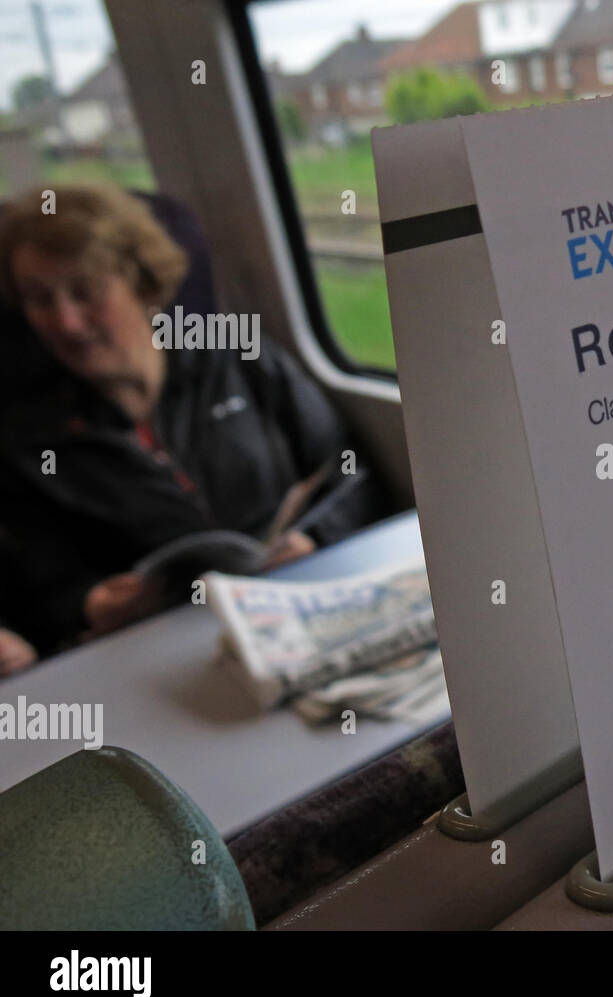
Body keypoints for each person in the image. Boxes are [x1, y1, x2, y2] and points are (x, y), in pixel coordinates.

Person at [0, 182, 391, 673]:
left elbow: (350, 474)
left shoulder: (236, 356)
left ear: (142, 286)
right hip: (168, 663)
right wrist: (91, 603)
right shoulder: (26, 437)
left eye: (85, 290)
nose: (67, 322)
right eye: (39, 300)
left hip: (308, 604)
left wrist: (315, 541)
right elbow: (37, 589)